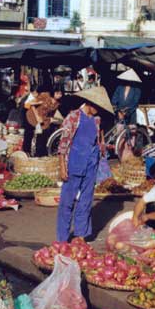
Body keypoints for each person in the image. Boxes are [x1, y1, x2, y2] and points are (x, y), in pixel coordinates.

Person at [56, 87, 113, 242]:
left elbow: (98, 141)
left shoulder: (97, 119)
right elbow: (63, 144)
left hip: (91, 164)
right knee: (67, 202)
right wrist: (62, 166)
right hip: (74, 162)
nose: (98, 110)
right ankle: (62, 238)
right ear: (89, 103)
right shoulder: (74, 117)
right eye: (97, 106)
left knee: (86, 200)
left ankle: (80, 235)